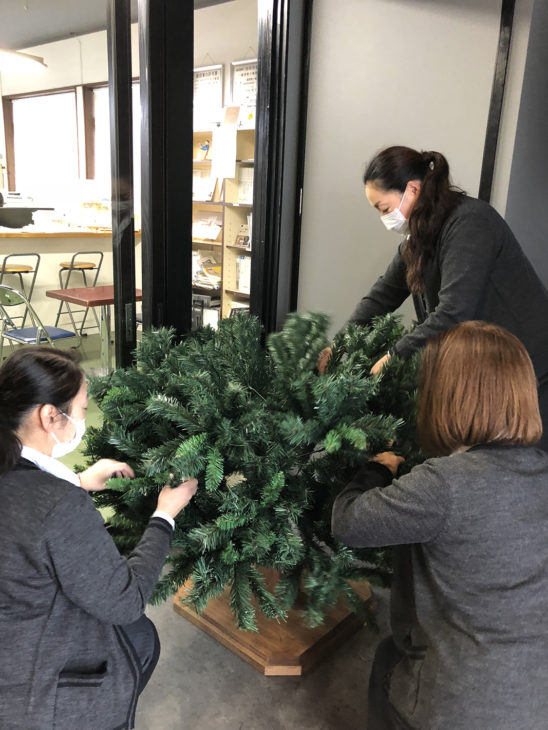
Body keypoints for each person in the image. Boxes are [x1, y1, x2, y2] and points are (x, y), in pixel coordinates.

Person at [331, 321, 548, 730]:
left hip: (460, 706)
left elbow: (347, 520)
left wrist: (375, 470)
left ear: (444, 397)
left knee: (385, 663)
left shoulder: (444, 484)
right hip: (537, 700)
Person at [0, 346, 198, 730]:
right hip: (30, 690)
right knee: (138, 635)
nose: (85, 418)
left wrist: (76, 480)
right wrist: (164, 515)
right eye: (83, 408)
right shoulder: (59, 507)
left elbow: (24, 511)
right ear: (49, 416)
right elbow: (125, 602)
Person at [317, 145, 548, 450]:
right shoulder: (420, 236)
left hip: (528, 367)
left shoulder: (469, 223)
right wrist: (340, 345)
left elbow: (454, 311)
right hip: (487, 366)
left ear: (412, 189)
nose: (385, 219)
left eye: (385, 209)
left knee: (518, 464)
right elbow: (381, 297)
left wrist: (393, 356)